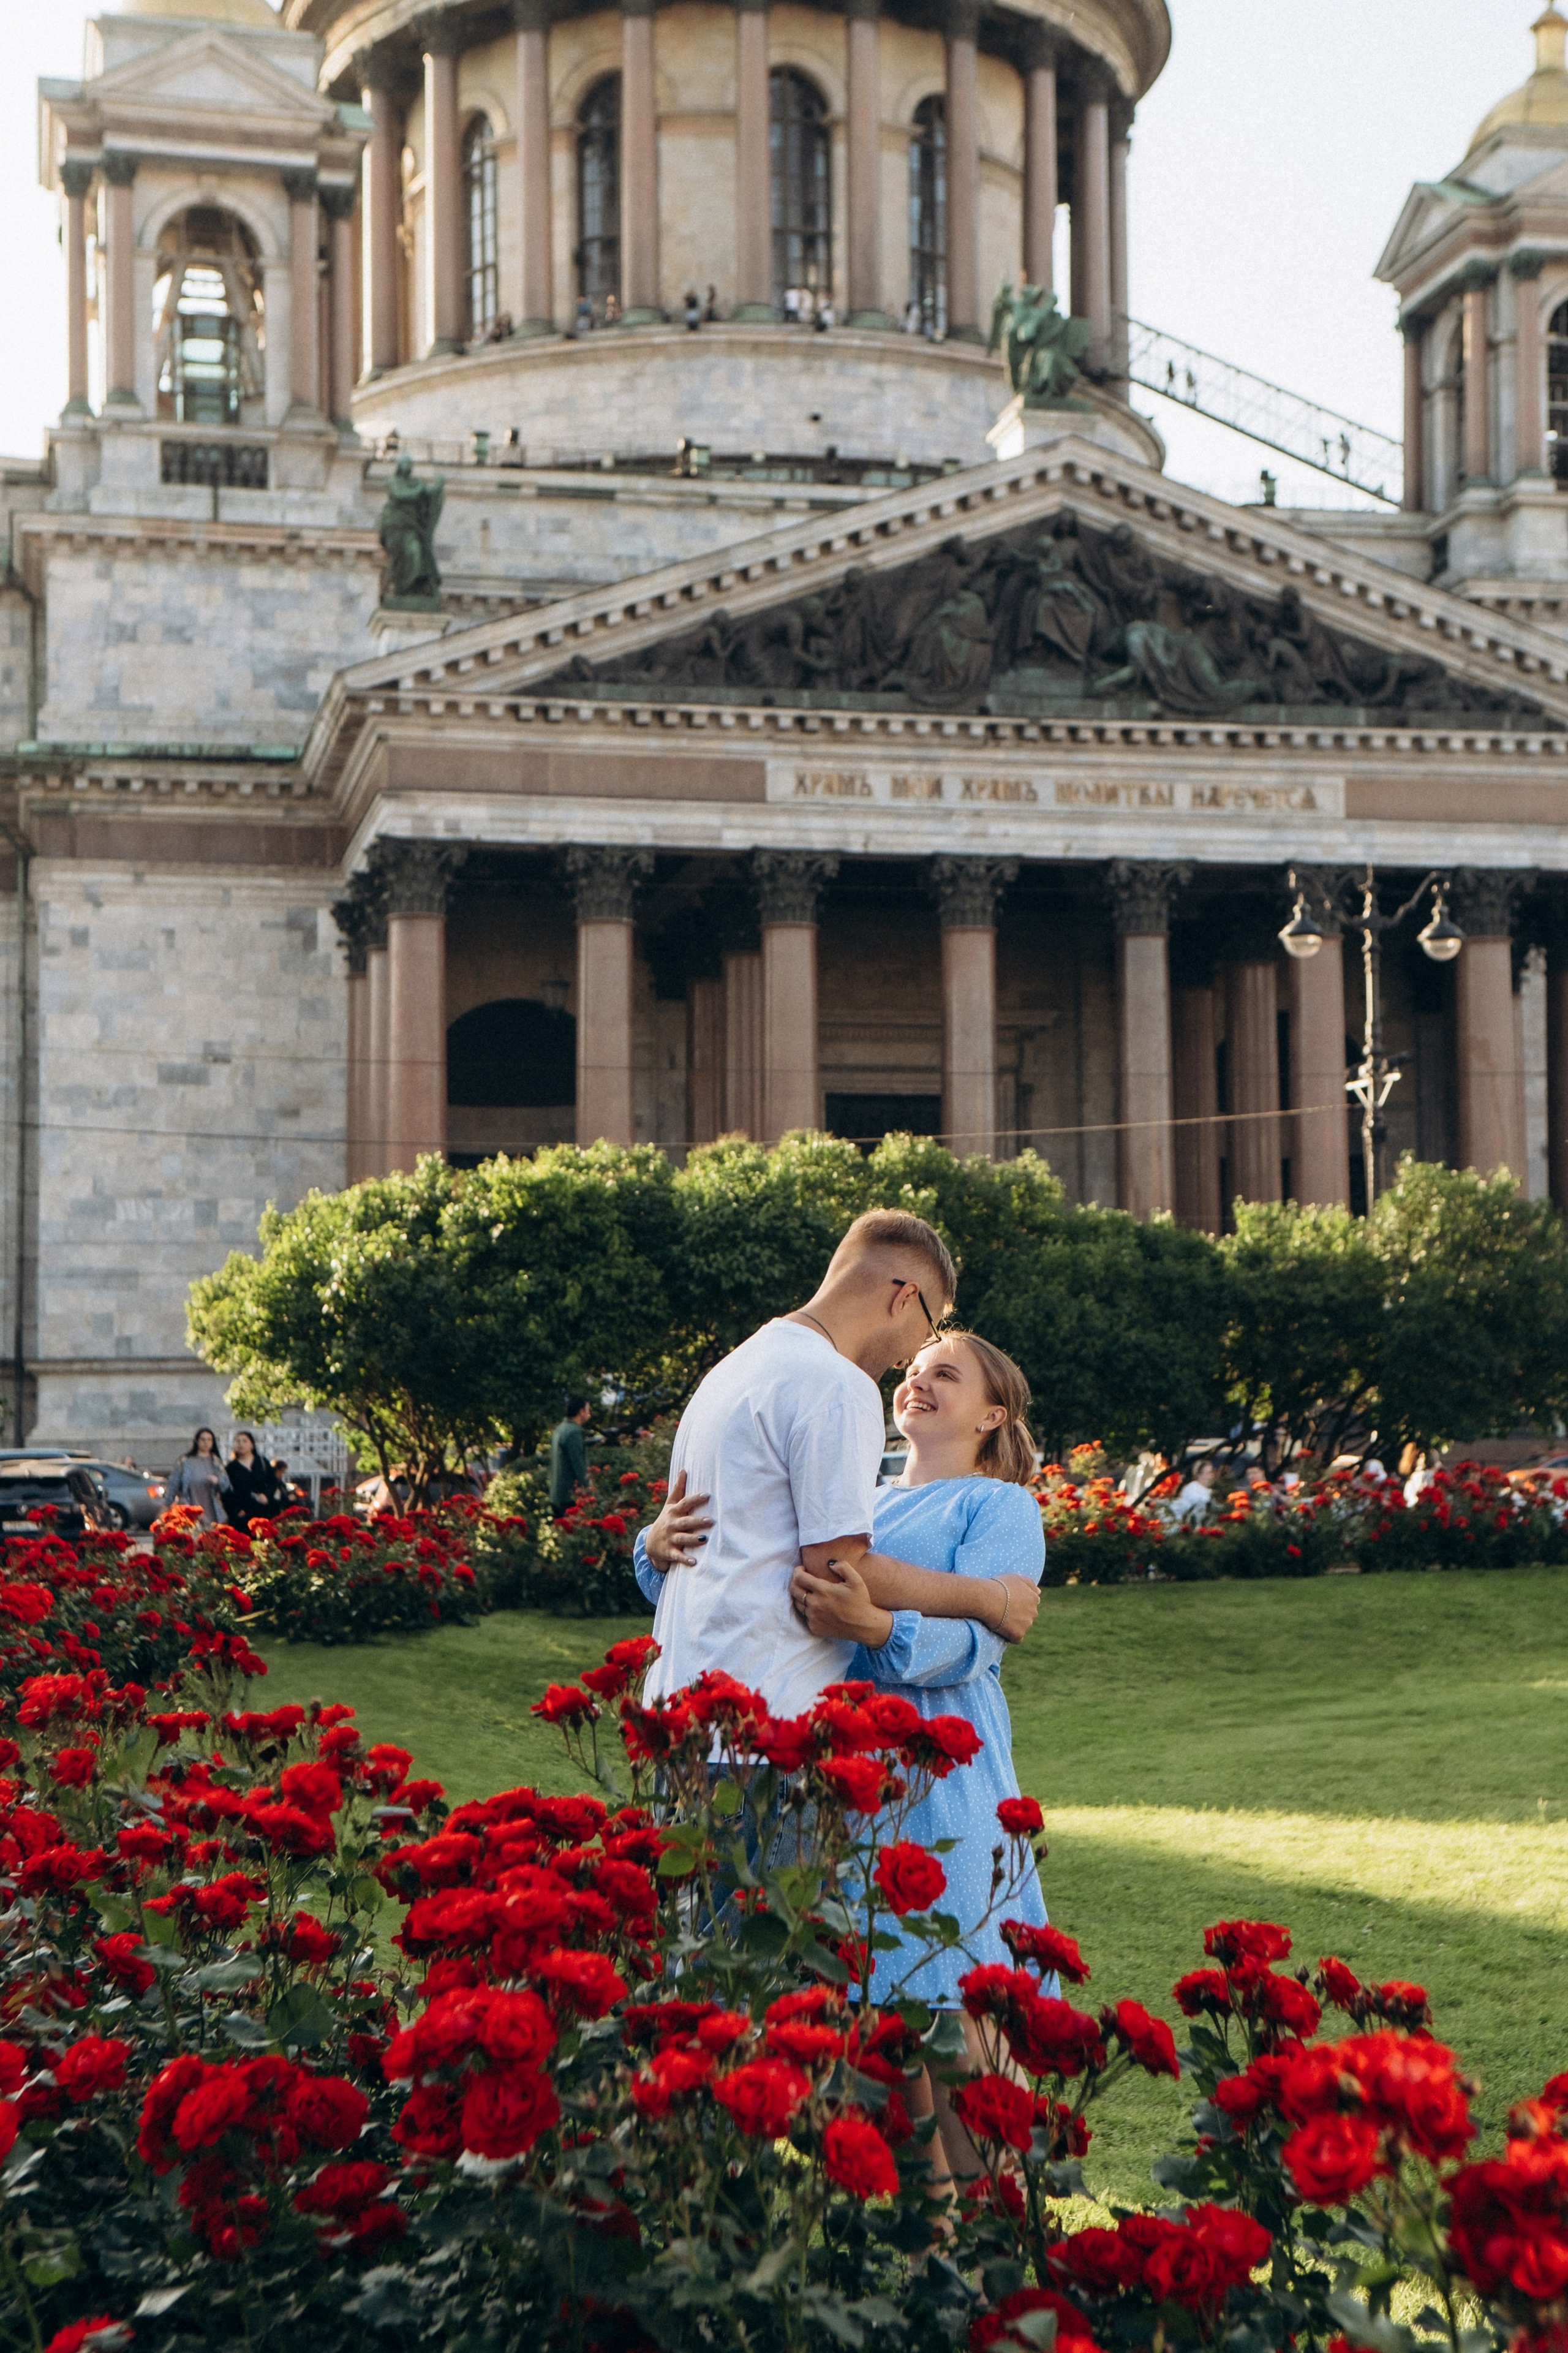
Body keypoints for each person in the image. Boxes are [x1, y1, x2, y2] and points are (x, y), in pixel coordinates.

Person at [635, 1209, 1040, 1725]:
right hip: (763, 1718)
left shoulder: (732, 1370)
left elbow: (728, 1554)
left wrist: (650, 1547)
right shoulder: (838, 1386)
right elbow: (834, 1565)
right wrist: (992, 1598)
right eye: (927, 1331)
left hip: (687, 1708)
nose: (907, 1364)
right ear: (904, 1297)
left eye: (944, 1371)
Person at [162, 1427, 229, 1528]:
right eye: (203, 1439)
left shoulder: (216, 1461)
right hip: (189, 1506)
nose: (206, 1443)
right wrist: (166, 1505)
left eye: (209, 1440)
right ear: (197, 1441)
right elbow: (173, 1485)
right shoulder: (185, 1461)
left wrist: (217, 1481)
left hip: (211, 1508)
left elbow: (226, 1485)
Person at [224, 1430, 287, 1530]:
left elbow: (273, 1481)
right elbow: (226, 1491)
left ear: (252, 1445)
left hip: (264, 1510)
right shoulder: (231, 1468)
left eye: (244, 1441)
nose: (241, 1444)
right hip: (243, 1514)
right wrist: (236, 1510)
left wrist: (267, 1496)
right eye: (238, 1441)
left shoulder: (262, 1462)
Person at [549, 1396, 592, 1517]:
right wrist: (590, 1490)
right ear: (581, 1411)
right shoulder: (574, 1432)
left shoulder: (561, 1429)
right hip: (569, 1498)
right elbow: (579, 1465)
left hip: (556, 1496)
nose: (589, 1414)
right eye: (588, 1410)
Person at [1168, 1458, 1216, 1526]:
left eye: (1212, 1473)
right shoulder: (1192, 1489)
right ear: (1199, 1474)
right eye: (1209, 1473)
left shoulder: (1207, 1490)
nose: (1212, 1476)